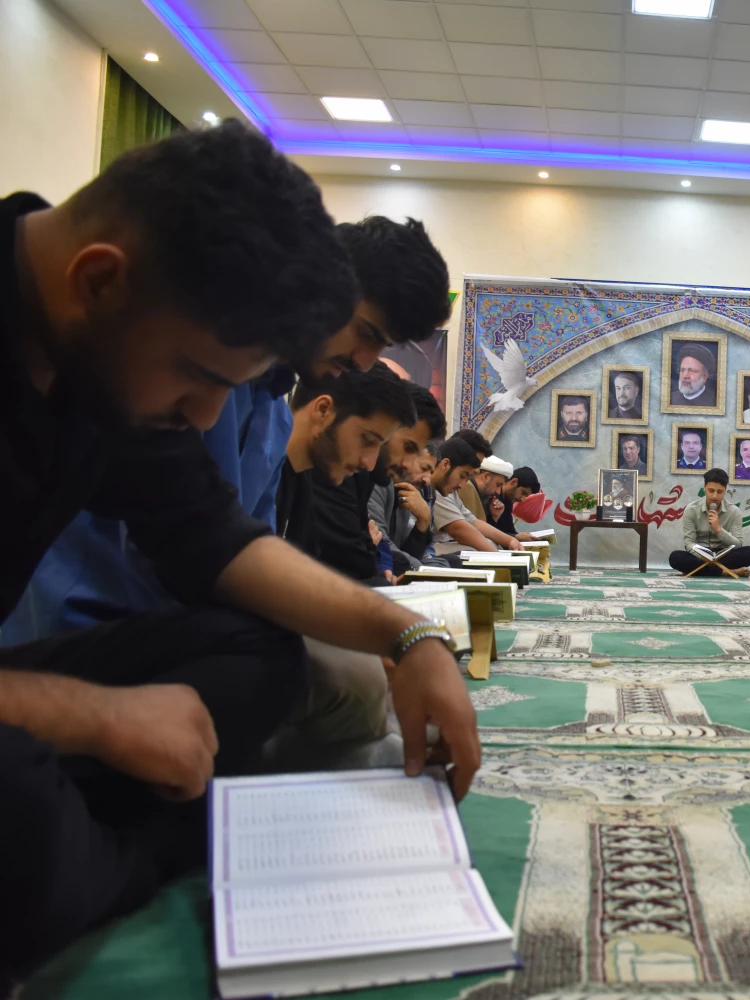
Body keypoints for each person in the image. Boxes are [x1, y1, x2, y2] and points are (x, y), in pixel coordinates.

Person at [0, 122, 478, 984]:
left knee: (260, 651)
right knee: (22, 811)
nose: (206, 419)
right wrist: (97, 717)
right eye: (199, 378)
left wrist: (408, 634)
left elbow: (211, 539)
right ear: (98, 279)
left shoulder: (101, 351)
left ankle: (122, 836)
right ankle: (130, 846)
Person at [4, 213, 452, 643]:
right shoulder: (180, 367)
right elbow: (183, 557)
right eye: (366, 333)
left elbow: (246, 551)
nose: (365, 362)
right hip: (92, 623)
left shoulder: (273, 413)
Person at [275, 364, 416, 570]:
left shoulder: (302, 480)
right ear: (323, 410)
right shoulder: (257, 471)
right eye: (367, 440)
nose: (369, 463)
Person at [368, 381, 447, 578]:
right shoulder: (377, 477)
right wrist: (423, 573)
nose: (427, 480)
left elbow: (399, 553)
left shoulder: (405, 489)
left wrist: (423, 522)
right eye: (409, 448)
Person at [434, 449, 526, 555]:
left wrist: (510, 540)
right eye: (498, 485)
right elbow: (459, 528)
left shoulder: (457, 490)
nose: (498, 492)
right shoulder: (466, 488)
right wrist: (499, 557)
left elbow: (473, 521)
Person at [668, 469, 750, 577]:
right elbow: (689, 543)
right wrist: (703, 556)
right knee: (675, 557)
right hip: (700, 554)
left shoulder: (734, 511)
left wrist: (718, 529)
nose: (714, 496)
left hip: (724, 555)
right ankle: (726, 572)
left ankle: (699, 571)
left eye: (719, 492)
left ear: (725, 490)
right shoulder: (691, 509)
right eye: (711, 491)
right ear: (704, 488)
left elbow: (737, 545)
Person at [486, 466, 543, 541]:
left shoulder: (507, 501)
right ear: (513, 482)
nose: (523, 500)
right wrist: (515, 537)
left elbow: (508, 530)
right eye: (523, 493)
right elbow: (484, 531)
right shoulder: (490, 495)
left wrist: (520, 537)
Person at [671, 342, 717, 406]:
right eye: (682, 370)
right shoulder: (670, 399)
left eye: (692, 370)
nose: (685, 376)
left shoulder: (715, 402)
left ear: (705, 376)